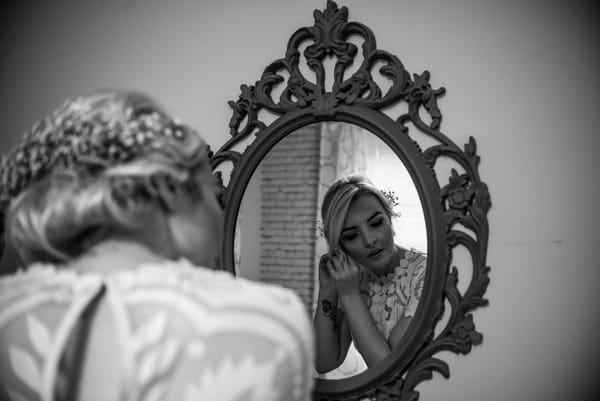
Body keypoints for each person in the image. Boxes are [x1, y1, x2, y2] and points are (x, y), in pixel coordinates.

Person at [0, 89, 313, 401]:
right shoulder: (259, 324)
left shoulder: (8, 310)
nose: (220, 212)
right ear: (167, 189)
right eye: (212, 194)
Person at [313, 174, 426, 374]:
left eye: (376, 223)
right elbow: (324, 362)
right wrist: (328, 290)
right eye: (351, 235)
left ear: (389, 218)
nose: (369, 240)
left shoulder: (424, 273)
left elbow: (389, 370)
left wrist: (349, 295)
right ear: (340, 245)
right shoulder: (355, 278)